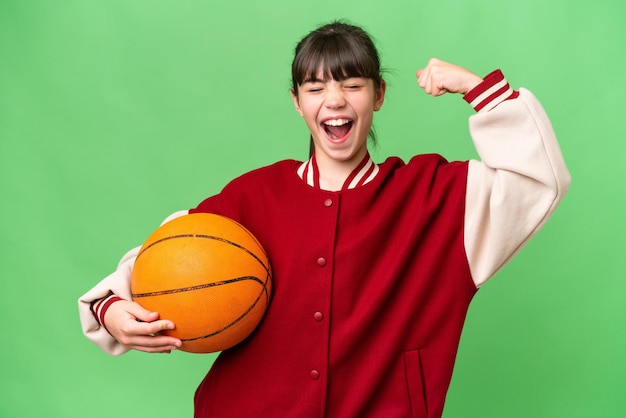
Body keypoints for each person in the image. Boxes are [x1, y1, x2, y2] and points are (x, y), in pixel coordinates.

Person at [78, 21, 570, 418]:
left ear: (378, 95)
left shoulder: (435, 197)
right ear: (298, 102)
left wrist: (475, 89)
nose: (334, 100)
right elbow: (169, 254)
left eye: (352, 85)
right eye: (316, 88)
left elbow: (536, 181)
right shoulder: (254, 195)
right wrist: (111, 309)